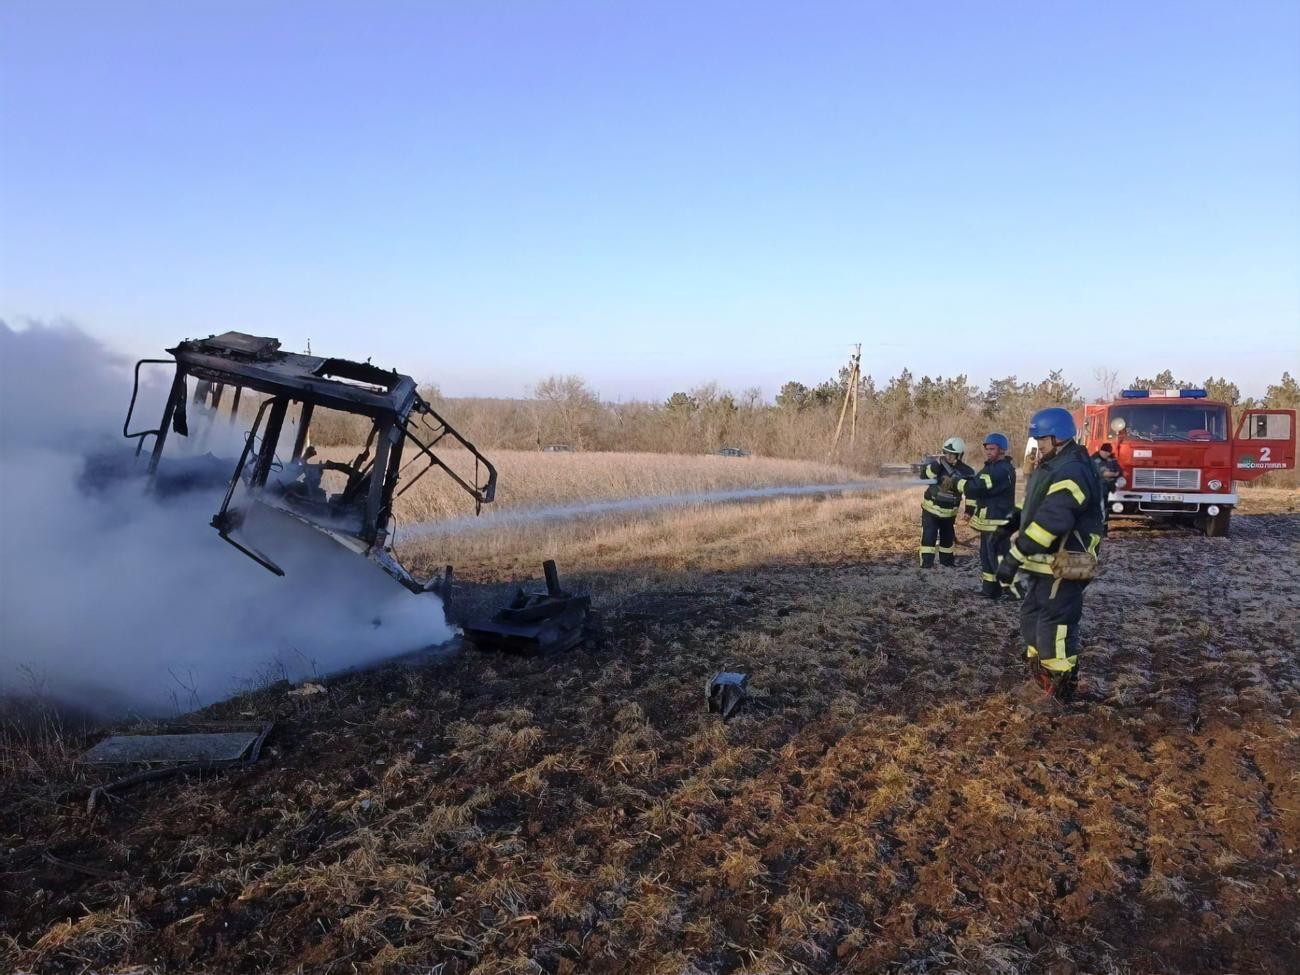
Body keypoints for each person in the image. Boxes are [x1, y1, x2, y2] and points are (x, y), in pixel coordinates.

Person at [996, 408, 1105, 702]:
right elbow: (1037, 505)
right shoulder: (1054, 464)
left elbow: (1053, 521)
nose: (1037, 445)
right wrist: (1013, 522)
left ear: (1059, 436)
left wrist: (1014, 557)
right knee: (1031, 618)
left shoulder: (1073, 470)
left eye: (1041, 438)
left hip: (1071, 559)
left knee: (1053, 626)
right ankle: (1040, 677)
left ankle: (1060, 690)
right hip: (1048, 562)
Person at [945, 433, 1016, 598]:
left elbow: (977, 487)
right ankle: (990, 590)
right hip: (989, 520)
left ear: (1002, 450)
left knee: (999, 558)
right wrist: (965, 481)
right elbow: (976, 481)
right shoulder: (990, 466)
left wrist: (957, 482)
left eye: (992, 449)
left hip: (997, 522)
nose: (988, 452)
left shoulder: (1001, 469)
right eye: (987, 449)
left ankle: (1013, 590)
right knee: (987, 557)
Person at [919, 437, 974, 568]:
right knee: (928, 538)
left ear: (959, 455)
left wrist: (969, 511)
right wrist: (935, 466)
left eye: (952, 454)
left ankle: (947, 564)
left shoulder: (966, 472)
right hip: (930, 511)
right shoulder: (937, 465)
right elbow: (923, 475)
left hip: (949, 514)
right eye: (946, 453)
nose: (948, 456)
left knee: (947, 540)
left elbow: (971, 493)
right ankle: (926, 566)